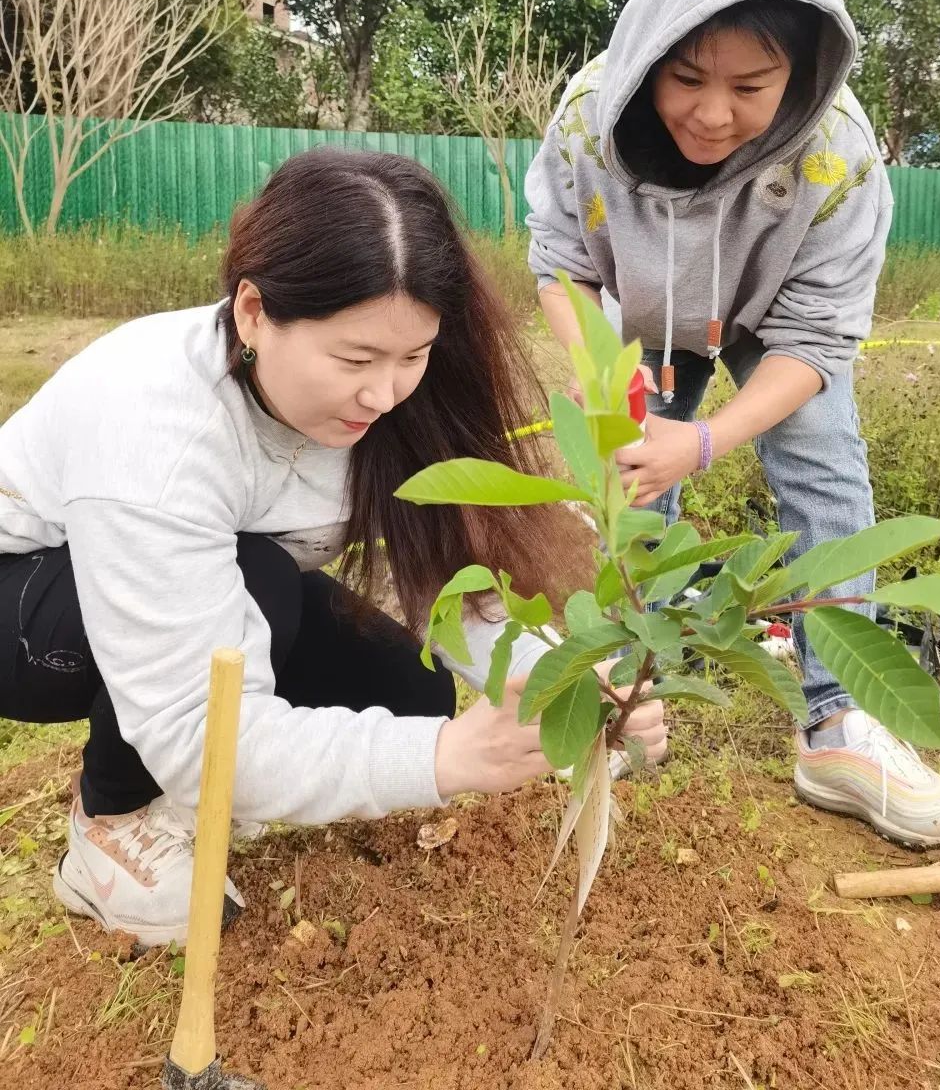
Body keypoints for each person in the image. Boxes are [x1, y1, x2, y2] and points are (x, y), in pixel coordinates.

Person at [0, 149, 667, 945]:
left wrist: (561, 682)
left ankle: (221, 789)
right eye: (355, 359)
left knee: (407, 691)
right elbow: (192, 725)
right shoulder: (155, 429)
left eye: (411, 357)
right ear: (252, 312)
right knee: (261, 588)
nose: (383, 394)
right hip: (29, 613)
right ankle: (109, 827)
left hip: (209, 582)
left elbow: (446, 580)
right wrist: (451, 759)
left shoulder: (388, 410)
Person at [525, 0, 940, 850]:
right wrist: (610, 385)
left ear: (802, 72)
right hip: (649, 311)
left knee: (822, 469)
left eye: (750, 86)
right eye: (686, 78)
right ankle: (633, 690)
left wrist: (710, 437)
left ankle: (837, 722)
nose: (712, 113)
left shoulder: (838, 157)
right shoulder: (588, 121)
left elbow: (818, 340)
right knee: (638, 482)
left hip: (774, 313)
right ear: (649, 54)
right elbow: (561, 265)